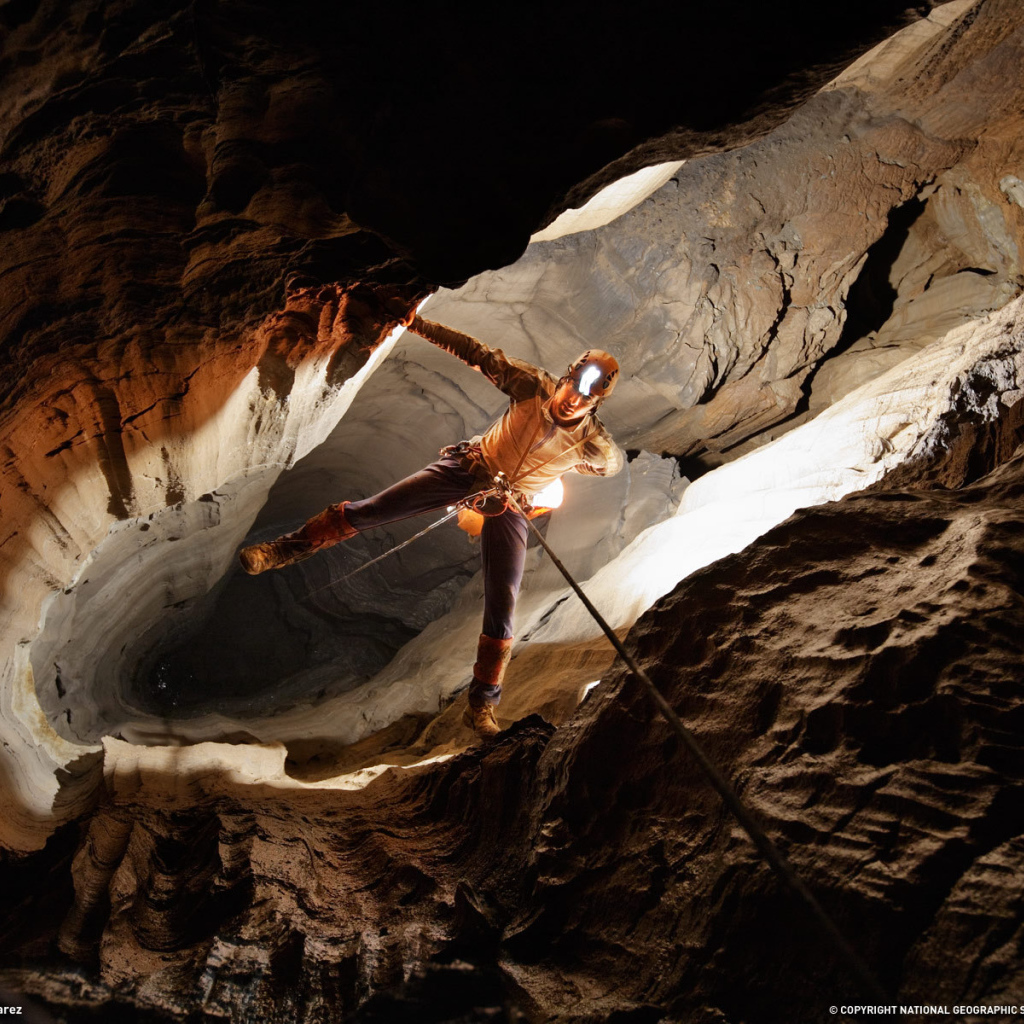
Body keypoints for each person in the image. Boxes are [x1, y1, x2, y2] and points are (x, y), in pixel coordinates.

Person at [239, 310, 623, 739]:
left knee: (503, 605)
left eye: (586, 398)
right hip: (469, 467)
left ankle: (481, 705)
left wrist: (548, 479)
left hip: (511, 504)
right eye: (574, 387)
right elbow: (475, 354)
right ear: (567, 378)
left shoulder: (593, 442)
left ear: (595, 403)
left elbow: (610, 465)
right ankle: (284, 550)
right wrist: (415, 323)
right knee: (375, 509)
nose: (573, 399)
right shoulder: (530, 384)